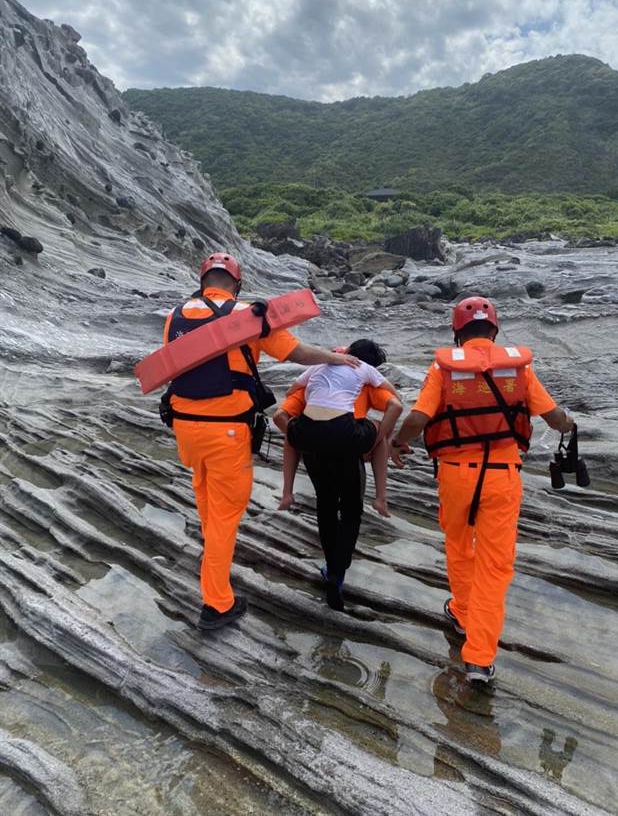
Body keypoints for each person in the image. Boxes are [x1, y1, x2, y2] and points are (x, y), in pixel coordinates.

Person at [163, 252, 359, 632]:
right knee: (224, 517)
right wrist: (337, 361)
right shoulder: (249, 315)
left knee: (206, 499)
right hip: (226, 429)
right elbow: (297, 353)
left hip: (185, 427)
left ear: (204, 281)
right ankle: (217, 603)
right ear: (236, 284)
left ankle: (212, 572)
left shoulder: (175, 315)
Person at [390, 296, 574, 683]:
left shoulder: (442, 368)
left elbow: (419, 417)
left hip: (455, 474)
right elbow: (555, 419)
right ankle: (478, 658)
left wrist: (397, 443)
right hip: (502, 475)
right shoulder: (519, 369)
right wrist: (569, 424)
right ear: (495, 330)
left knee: (459, 547)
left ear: (457, 332)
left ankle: (461, 612)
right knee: (495, 565)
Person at [274, 341, 402, 610]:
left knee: (326, 505)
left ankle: (289, 496)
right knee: (352, 511)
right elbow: (394, 404)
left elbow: (281, 414)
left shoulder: (316, 373)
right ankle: (337, 571)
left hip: (310, 443)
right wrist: (377, 441)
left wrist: (302, 441)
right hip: (347, 444)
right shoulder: (368, 379)